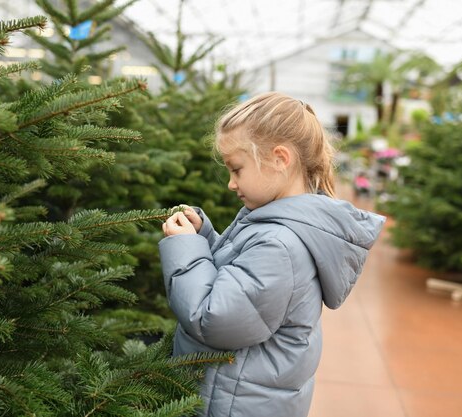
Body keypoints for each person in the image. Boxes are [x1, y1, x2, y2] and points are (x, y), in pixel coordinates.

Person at [158, 92, 385, 417]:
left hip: (234, 406)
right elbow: (242, 278)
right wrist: (204, 237)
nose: (231, 184)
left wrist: (185, 248)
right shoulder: (278, 221)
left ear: (280, 159)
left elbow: (216, 320)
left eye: (237, 169)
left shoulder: (281, 242)